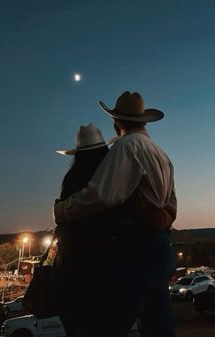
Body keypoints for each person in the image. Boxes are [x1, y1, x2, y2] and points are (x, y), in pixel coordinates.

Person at [54, 91, 177, 337]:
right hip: (162, 246)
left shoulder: (125, 146)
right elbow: (171, 203)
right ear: (143, 120)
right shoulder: (161, 154)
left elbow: (100, 195)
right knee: (159, 327)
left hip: (137, 249)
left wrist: (62, 210)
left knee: (106, 327)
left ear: (116, 121)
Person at [54, 123, 118, 337]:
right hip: (105, 264)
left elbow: (63, 221)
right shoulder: (110, 180)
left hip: (73, 264)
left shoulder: (71, 180)